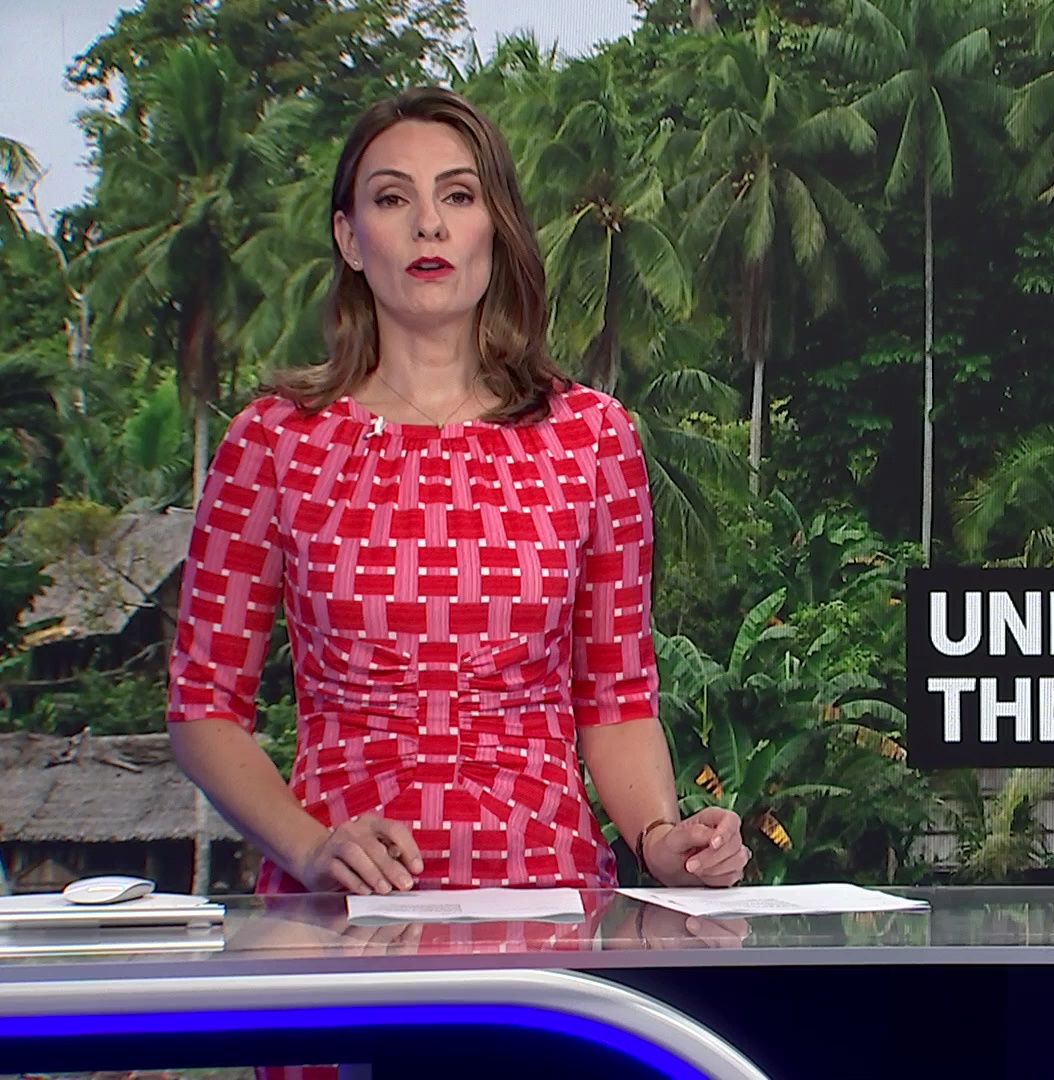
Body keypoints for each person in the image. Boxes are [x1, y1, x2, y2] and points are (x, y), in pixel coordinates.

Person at [166, 85, 749, 910]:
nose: (428, 225)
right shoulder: (272, 443)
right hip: (339, 921)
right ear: (350, 238)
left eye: (459, 196)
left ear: (496, 228)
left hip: (546, 918)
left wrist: (660, 839)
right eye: (391, 198)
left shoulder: (591, 437)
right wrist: (310, 848)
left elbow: (616, 698)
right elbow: (203, 706)